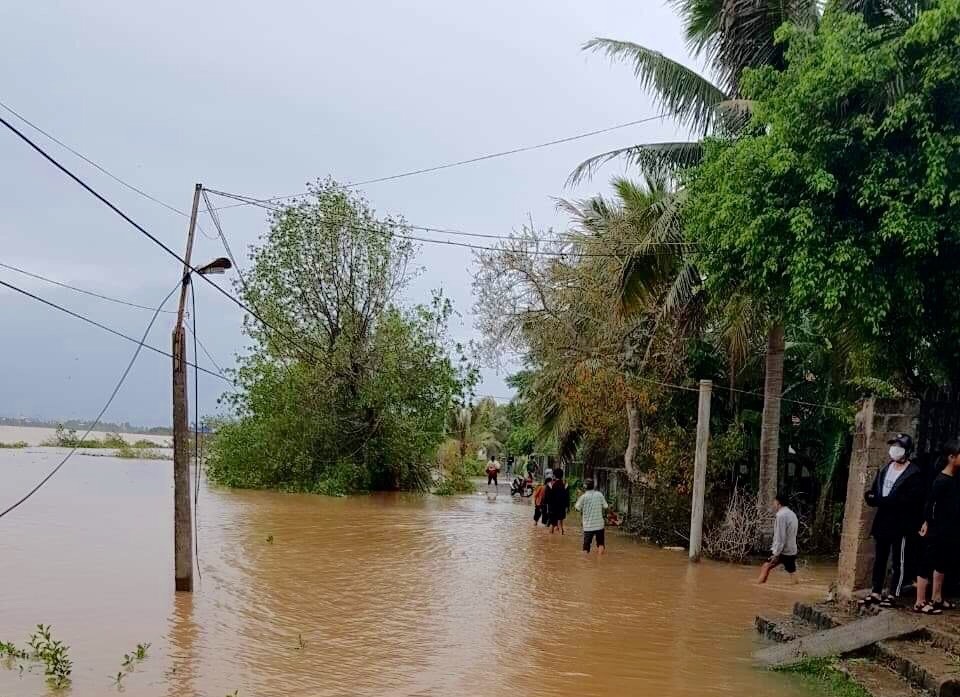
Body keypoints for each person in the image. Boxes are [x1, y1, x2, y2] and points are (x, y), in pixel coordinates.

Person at [863, 433, 925, 608]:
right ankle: (875, 591)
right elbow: (875, 491)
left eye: (899, 446)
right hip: (883, 520)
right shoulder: (885, 469)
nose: (895, 450)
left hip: (902, 524)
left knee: (899, 560)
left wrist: (883, 500)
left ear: (907, 451)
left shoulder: (914, 473)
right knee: (880, 558)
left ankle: (893, 593)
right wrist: (872, 497)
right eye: (894, 445)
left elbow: (910, 500)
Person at [914, 440, 960, 614]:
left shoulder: (954, 479)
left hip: (949, 528)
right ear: (951, 457)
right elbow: (930, 504)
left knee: (942, 561)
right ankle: (919, 601)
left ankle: (937, 597)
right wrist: (927, 523)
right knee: (927, 561)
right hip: (936, 527)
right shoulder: (941, 481)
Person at [758, 493, 799, 584]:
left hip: (783, 550)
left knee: (766, 566)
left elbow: (780, 537)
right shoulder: (792, 514)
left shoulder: (781, 515)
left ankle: (758, 588)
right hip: (791, 549)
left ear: (778, 503)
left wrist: (776, 553)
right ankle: (796, 588)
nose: (773, 504)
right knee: (792, 572)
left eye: (774, 502)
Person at [575, 478, 609, 554]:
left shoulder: (583, 497)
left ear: (584, 487)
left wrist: (579, 497)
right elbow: (606, 506)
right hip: (599, 525)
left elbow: (577, 508)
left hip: (588, 526)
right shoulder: (599, 494)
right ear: (594, 486)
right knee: (600, 544)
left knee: (586, 547)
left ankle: (585, 564)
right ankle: (600, 561)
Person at [547, 468, 569, 535]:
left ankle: (550, 541)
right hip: (562, 507)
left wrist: (547, 508)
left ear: (554, 475)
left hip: (552, 507)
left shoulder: (550, 484)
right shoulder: (565, 484)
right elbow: (567, 497)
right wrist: (567, 507)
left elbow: (547, 497)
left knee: (552, 524)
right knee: (560, 523)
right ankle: (561, 537)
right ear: (562, 475)